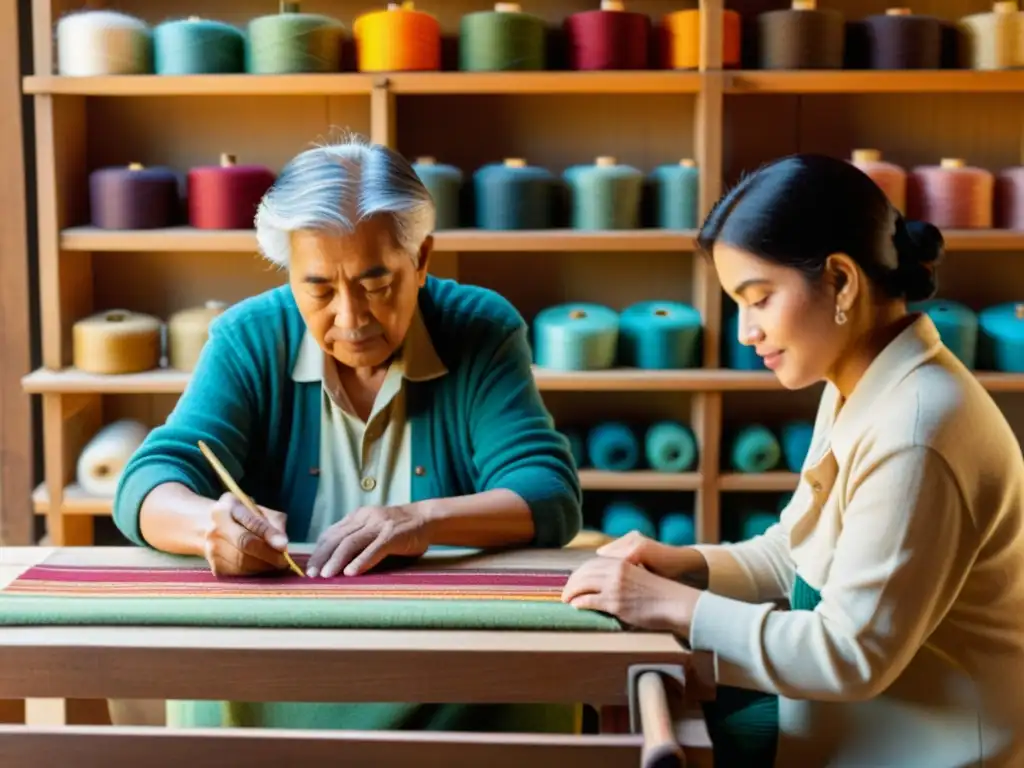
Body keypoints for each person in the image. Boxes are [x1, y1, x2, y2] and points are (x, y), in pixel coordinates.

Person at [561, 153, 1024, 767]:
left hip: (924, 745)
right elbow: (798, 553)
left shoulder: (918, 429)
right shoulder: (863, 382)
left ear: (840, 280)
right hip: (861, 717)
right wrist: (685, 565)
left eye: (759, 299)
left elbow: (848, 655)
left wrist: (668, 604)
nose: (745, 330)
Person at [111, 134, 583, 733]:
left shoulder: (480, 329)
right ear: (289, 274)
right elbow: (150, 481)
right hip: (274, 658)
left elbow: (547, 493)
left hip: (447, 654)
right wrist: (210, 526)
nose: (351, 318)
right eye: (319, 288)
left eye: (376, 283)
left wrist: (421, 521)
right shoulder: (248, 336)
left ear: (423, 260)